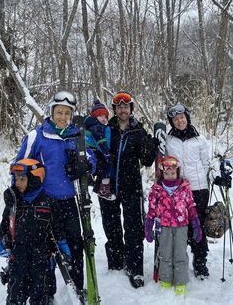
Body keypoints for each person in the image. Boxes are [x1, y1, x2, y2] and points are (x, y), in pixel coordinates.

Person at [14, 90, 95, 299]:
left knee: (75, 245)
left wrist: (84, 165)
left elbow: (91, 158)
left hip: (69, 200)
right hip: (43, 201)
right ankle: (46, 291)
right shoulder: (37, 135)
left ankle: (78, 286)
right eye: (59, 112)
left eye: (67, 113)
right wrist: (18, 195)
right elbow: (19, 166)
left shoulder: (76, 135)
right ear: (52, 112)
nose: (63, 117)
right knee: (46, 250)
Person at [98, 91, 158, 288]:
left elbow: (147, 161)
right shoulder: (106, 129)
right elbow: (95, 153)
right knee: (111, 226)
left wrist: (151, 146)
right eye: (119, 106)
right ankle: (116, 264)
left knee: (133, 229)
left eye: (126, 106)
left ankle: (135, 269)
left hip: (131, 187)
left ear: (131, 109)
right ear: (114, 110)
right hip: (108, 186)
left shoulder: (138, 131)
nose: (123, 109)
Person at [0, 158, 71, 305]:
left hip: (41, 256)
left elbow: (57, 227)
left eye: (22, 179)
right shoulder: (14, 202)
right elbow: (5, 224)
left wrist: (62, 244)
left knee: (40, 293)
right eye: (16, 179)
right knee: (15, 293)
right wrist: (1, 241)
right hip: (18, 256)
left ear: (36, 179)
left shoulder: (48, 202)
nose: (17, 183)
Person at [164, 103, 211, 280]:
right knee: (181, 228)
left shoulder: (200, 140)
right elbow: (163, 163)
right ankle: (179, 262)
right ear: (172, 122)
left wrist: (217, 176)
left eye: (182, 117)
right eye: (175, 119)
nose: (179, 121)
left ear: (187, 118)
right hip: (177, 191)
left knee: (198, 227)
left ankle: (200, 263)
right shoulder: (169, 141)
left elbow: (207, 163)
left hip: (198, 189)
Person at [145, 156, 202, 296]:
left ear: (178, 172)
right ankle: (166, 280)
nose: (170, 176)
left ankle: (180, 282)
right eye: (166, 173)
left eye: (172, 172)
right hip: (163, 226)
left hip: (182, 226)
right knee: (165, 254)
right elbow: (152, 209)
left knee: (180, 254)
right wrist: (148, 225)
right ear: (162, 174)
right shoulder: (157, 190)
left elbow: (191, 207)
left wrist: (196, 225)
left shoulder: (185, 189)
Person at [84, 99, 116, 201]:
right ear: (94, 117)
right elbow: (101, 140)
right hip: (92, 149)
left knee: (97, 165)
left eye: (105, 116)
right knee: (108, 165)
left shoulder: (96, 126)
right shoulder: (97, 127)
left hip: (91, 150)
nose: (103, 118)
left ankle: (89, 178)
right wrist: (106, 152)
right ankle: (104, 188)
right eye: (100, 116)